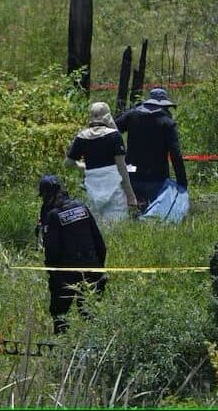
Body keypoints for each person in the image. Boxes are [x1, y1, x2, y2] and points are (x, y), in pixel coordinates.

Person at [38, 175, 107, 334]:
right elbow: (100, 243)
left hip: (66, 274)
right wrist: (99, 268)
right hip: (93, 269)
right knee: (91, 314)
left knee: (59, 315)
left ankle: (61, 350)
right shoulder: (82, 207)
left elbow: (51, 251)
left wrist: (52, 275)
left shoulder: (53, 216)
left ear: (47, 195)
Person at [64, 102, 138, 223]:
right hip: (113, 186)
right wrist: (131, 196)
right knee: (117, 225)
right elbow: (122, 167)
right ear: (108, 116)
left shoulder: (81, 137)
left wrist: (84, 166)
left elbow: (68, 163)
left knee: (97, 225)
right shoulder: (114, 136)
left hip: (92, 187)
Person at [114, 88, 188, 206]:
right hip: (157, 178)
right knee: (156, 216)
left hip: (132, 175)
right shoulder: (167, 122)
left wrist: (120, 152)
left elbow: (112, 131)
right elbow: (176, 155)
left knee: (134, 213)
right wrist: (182, 184)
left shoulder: (131, 115)